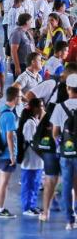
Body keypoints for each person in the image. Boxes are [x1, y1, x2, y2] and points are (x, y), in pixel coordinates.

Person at [25, 63, 77, 222]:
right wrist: (38, 113)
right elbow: (29, 95)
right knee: (51, 176)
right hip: (51, 138)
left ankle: (66, 208)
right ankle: (46, 211)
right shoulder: (51, 84)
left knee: (70, 178)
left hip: (65, 139)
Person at [50, 73, 77, 230]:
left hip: (66, 154)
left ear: (68, 89)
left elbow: (55, 132)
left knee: (67, 185)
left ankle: (69, 220)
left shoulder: (60, 107)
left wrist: (60, 145)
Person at [0, 86, 20, 219]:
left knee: (0, 181)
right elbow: (9, 136)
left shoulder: (1, 110)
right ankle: (0, 210)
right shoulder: (10, 115)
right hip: (7, 154)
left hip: (0, 151)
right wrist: (13, 155)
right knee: (4, 183)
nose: (20, 99)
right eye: (19, 97)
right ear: (14, 98)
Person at [19, 98, 44, 217]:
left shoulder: (36, 121)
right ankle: (27, 207)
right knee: (28, 185)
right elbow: (31, 141)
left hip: (37, 161)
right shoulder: (29, 123)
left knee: (35, 184)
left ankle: (32, 205)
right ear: (35, 108)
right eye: (41, 106)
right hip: (30, 160)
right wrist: (43, 153)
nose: (42, 109)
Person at [9, 13, 35, 80]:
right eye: (30, 21)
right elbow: (13, 50)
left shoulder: (27, 32)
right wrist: (17, 67)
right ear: (26, 22)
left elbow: (31, 46)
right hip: (21, 64)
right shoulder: (17, 33)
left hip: (28, 63)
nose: (31, 22)